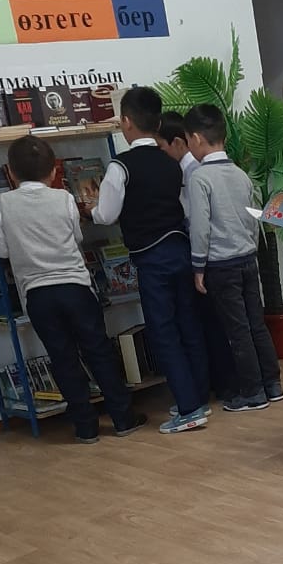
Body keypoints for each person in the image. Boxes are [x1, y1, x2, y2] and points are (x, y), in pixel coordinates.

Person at [0, 136, 146, 444]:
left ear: (11, 172)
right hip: (75, 287)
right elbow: (76, 237)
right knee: (98, 351)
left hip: (37, 293)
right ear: (53, 171)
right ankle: (123, 418)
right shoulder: (62, 198)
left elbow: (2, 250)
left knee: (62, 358)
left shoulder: (3, 204)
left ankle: (85, 427)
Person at [88, 86, 209, 434]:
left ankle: (189, 409)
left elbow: (106, 214)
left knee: (163, 331)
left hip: (151, 258)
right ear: (157, 123)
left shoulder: (120, 166)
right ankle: (198, 397)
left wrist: (89, 210)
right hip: (180, 249)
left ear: (126, 122)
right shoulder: (172, 163)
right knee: (189, 326)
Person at [185, 103, 283, 412]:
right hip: (247, 259)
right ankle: (272, 383)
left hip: (220, 265)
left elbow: (200, 226)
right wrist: (249, 247)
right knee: (256, 324)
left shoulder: (200, 178)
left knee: (237, 330)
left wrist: (198, 266)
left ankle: (253, 392)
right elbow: (253, 219)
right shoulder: (241, 175)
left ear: (196, 139)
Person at [159, 108, 238, 400]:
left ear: (181, 142)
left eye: (162, 147)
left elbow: (198, 221)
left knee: (215, 324)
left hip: (211, 257)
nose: (161, 154)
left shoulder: (195, 172)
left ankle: (227, 385)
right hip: (220, 254)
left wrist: (198, 264)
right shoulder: (193, 169)